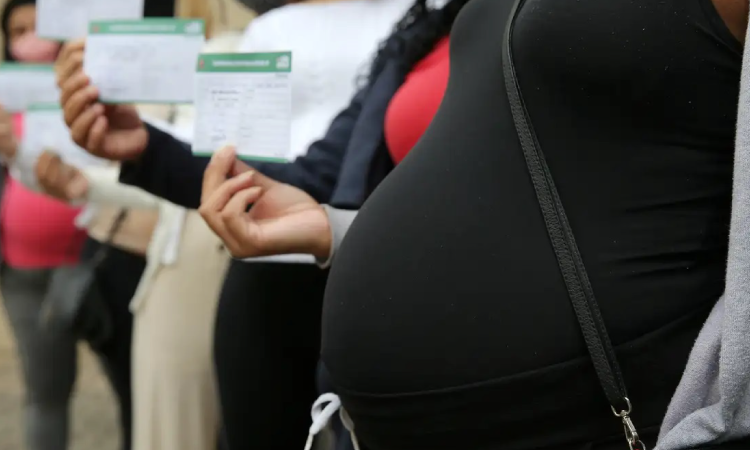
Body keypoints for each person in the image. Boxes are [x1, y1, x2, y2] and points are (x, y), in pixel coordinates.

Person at [59, 0, 750, 448]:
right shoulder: (435, 26)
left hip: (594, 411)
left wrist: (717, 419)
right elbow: (331, 176)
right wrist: (149, 152)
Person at [54, 0, 415, 448]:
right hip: (269, 255)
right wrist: (149, 150)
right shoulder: (281, 28)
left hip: (382, 271)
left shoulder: (431, 18)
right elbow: (281, 163)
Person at [34, 2, 246, 449]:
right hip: (160, 252)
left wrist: (87, 183)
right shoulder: (153, 47)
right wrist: (79, 181)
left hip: (196, 257)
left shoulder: (230, 47)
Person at [0, 3, 82, 450]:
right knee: (46, 390)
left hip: (95, 260)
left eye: (39, 27)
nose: (30, 38)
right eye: (19, 30)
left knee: (134, 382)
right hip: (22, 270)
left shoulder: (89, 87)